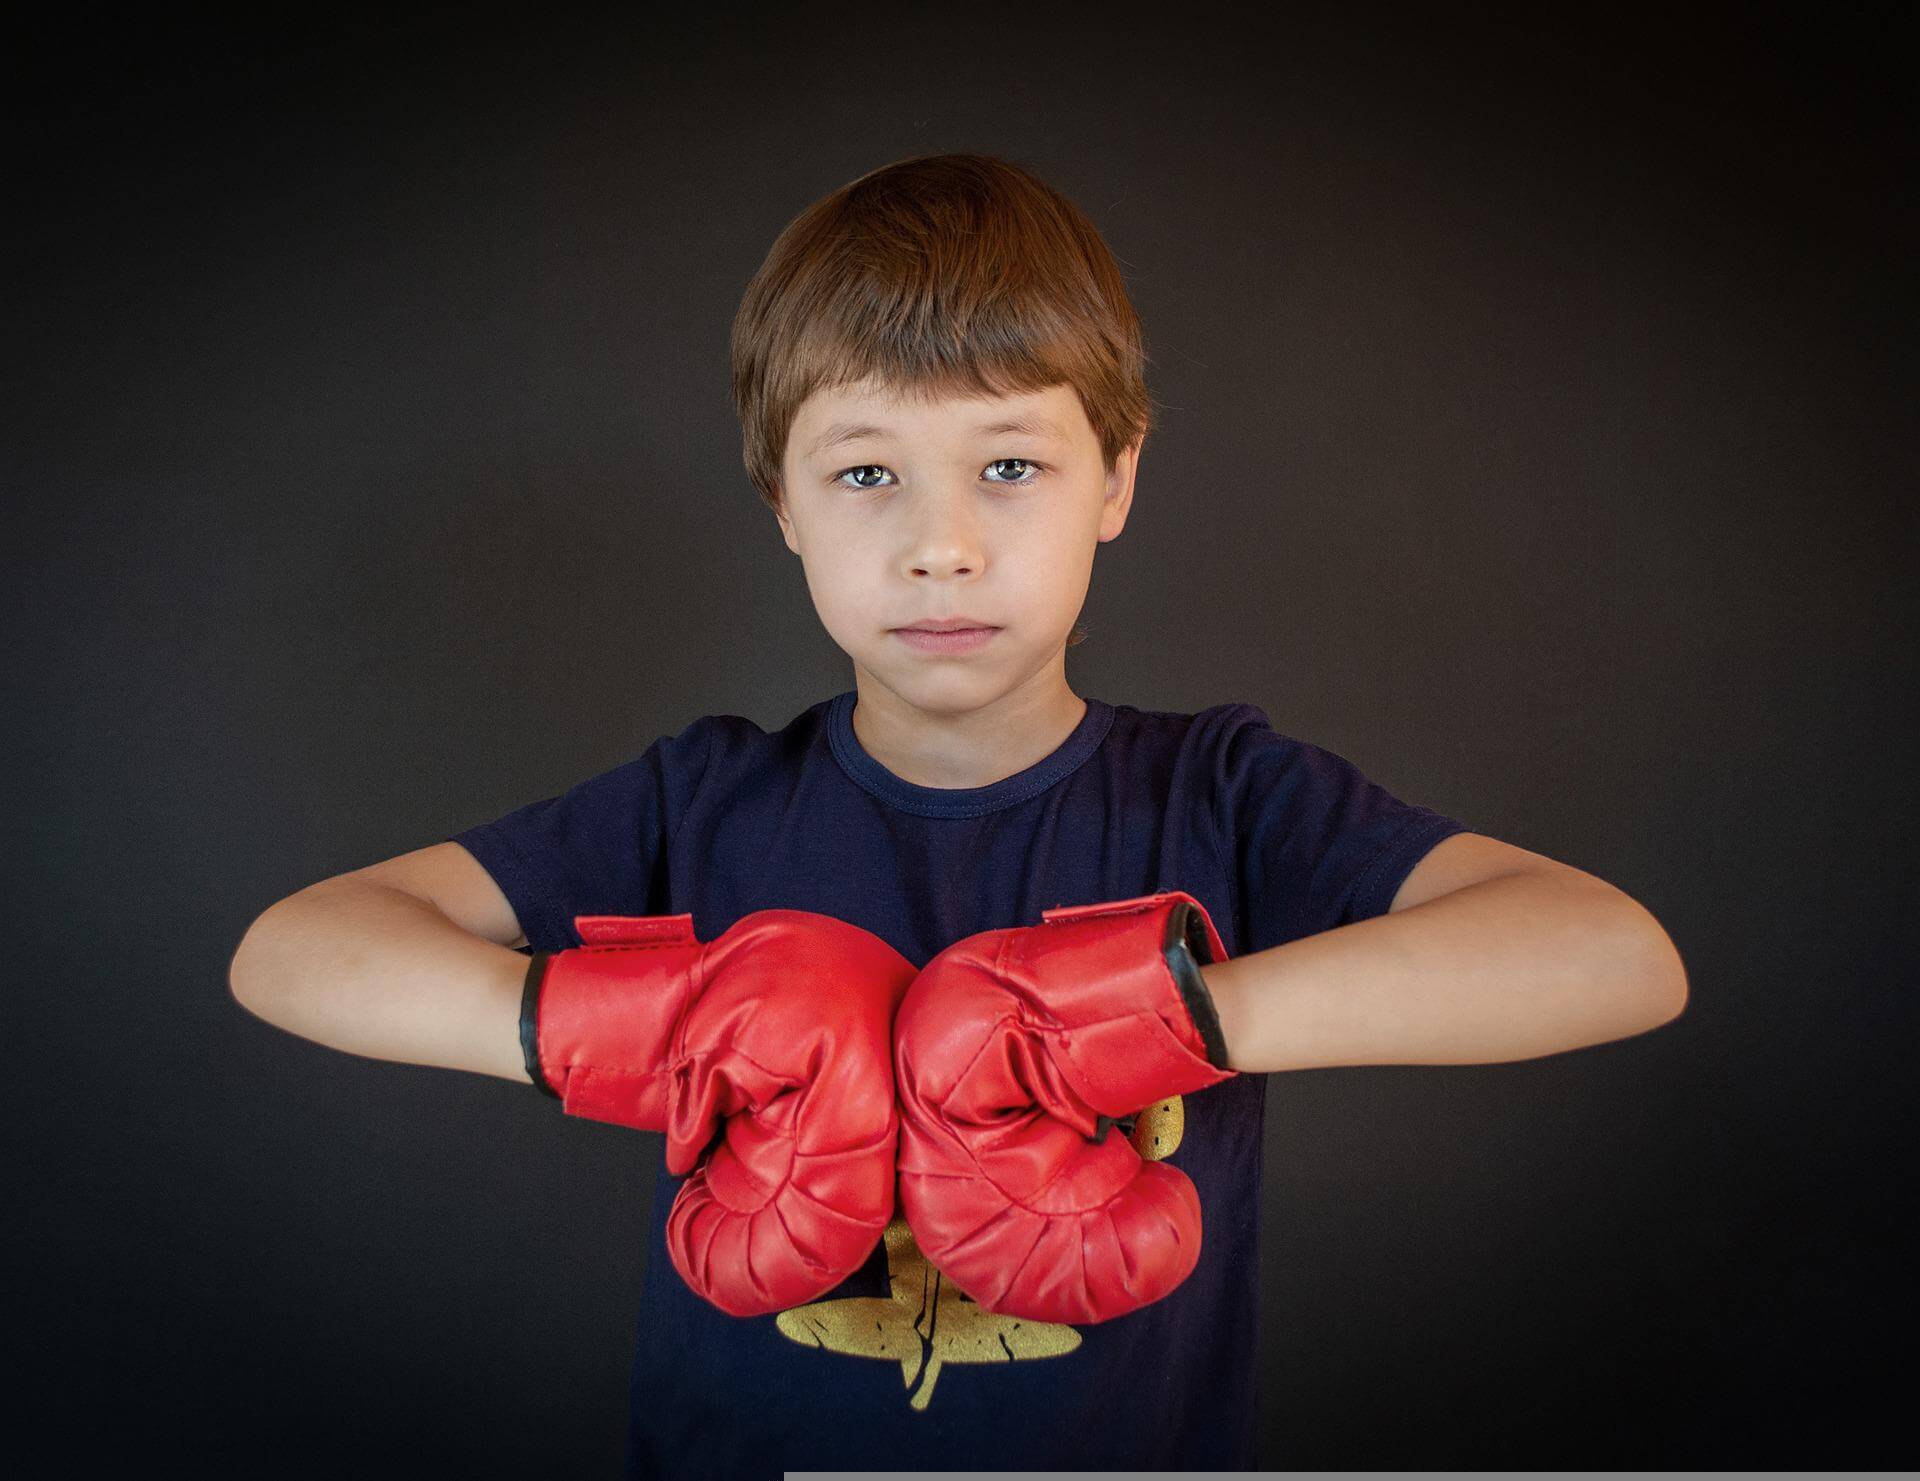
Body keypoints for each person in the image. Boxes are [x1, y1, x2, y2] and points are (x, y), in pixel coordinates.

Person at [227, 152, 1690, 1476]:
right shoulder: (703, 799)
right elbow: (294, 947)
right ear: (782, 504)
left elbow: (1613, 950)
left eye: (1010, 465)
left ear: (1114, 479)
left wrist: (1175, 1018)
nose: (941, 544)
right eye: (866, 473)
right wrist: (659, 1033)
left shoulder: (1223, 796)